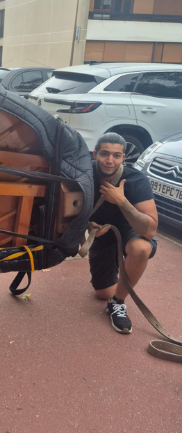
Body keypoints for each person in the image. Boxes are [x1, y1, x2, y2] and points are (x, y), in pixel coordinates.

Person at [88, 133, 158, 334]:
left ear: (123, 157)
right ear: (95, 154)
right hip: (102, 235)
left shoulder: (136, 179)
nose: (110, 160)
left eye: (116, 155)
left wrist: (121, 200)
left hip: (131, 232)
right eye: (104, 154)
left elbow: (150, 229)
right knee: (102, 293)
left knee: (141, 248)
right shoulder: (84, 174)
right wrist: (86, 226)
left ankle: (118, 302)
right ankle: (117, 276)